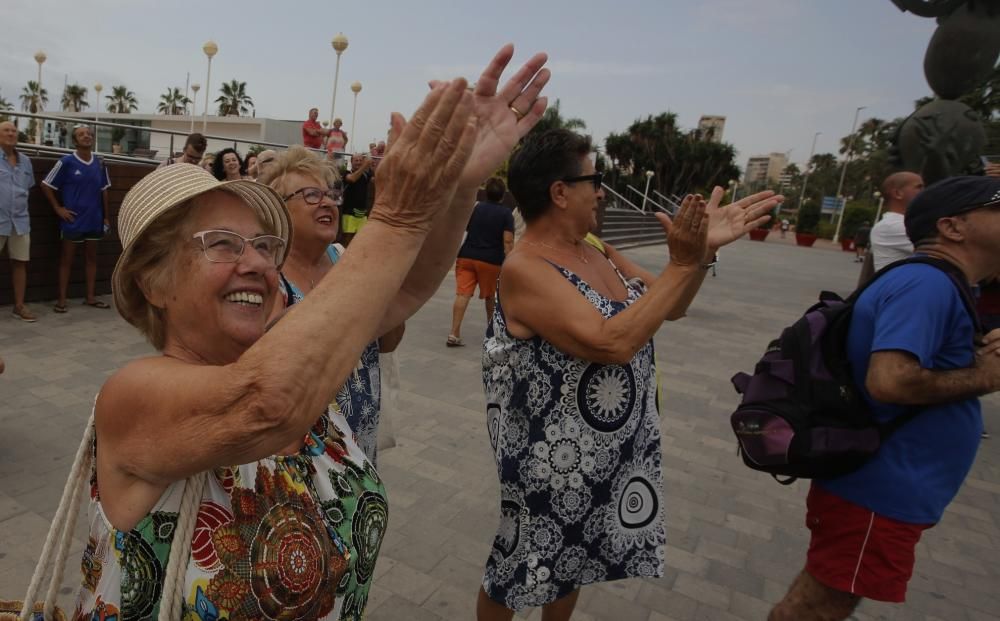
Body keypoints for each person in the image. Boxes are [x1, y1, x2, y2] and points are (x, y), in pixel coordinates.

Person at [72, 45, 551, 621]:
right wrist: (396, 216)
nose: (255, 262)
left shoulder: (292, 352)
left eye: (263, 244)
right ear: (153, 282)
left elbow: (397, 291)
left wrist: (458, 185)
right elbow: (263, 406)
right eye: (222, 243)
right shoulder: (134, 396)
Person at [478, 128, 781, 620]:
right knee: (516, 568)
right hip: (550, 461)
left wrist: (699, 256)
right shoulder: (525, 267)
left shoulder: (593, 247)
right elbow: (611, 342)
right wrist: (684, 261)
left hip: (607, 457)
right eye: (594, 179)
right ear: (560, 191)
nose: (601, 190)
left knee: (573, 562)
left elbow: (670, 305)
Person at [769, 175, 1000, 620]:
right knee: (817, 607)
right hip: (879, 486)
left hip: (886, 484)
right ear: (954, 227)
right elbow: (890, 381)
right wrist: (985, 377)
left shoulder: (939, 283)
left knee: (824, 599)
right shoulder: (927, 285)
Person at [261, 146, 405, 465]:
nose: (327, 202)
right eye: (311, 195)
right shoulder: (267, 279)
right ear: (279, 211)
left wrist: (384, 288)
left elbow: (387, 344)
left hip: (361, 439)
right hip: (303, 454)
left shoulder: (348, 261)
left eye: (331, 194)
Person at [42, 125, 111, 312]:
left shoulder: (100, 163)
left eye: (89, 134)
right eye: (81, 134)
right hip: (73, 221)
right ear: (75, 140)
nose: (86, 136)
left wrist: (106, 217)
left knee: (91, 259)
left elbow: (104, 191)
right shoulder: (66, 162)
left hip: (94, 219)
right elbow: (46, 185)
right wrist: (58, 208)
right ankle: (62, 300)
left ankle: (90, 297)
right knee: (67, 260)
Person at [447, 176, 514, 346]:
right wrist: (510, 261)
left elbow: (466, 228)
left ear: (486, 193)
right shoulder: (506, 213)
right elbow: (507, 241)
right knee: (490, 297)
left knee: (462, 294)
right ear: (502, 195)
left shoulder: (475, 208)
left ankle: (454, 334)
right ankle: (491, 335)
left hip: (467, 256)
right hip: (491, 261)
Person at [0, 120, 37, 322]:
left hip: (20, 222)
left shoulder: (26, 161)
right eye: (6, 130)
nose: (11, 133)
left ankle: (19, 306)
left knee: (20, 263)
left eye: (14, 130)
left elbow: (28, 186)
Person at [870, 172, 924, 270]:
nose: (924, 191)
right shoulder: (892, 226)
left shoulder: (903, 223)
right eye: (919, 187)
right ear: (898, 193)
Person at [340, 153, 374, 246]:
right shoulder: (346, 173)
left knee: (361, 240)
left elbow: (376, 179)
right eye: (356, 160)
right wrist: (365, 166)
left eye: (360, 160)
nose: (358, 162)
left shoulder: (366, 175)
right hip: (349, 213)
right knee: (347, 239)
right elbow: (352, 179)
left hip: (362, 214)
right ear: (351, 162)